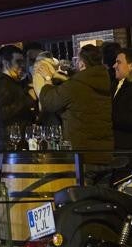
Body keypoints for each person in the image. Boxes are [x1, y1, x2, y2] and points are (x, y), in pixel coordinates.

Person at [35, 44, 114, 176]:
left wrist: (48, 79)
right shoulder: (104, 82)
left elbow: (50, 102)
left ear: (82, 64)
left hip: (82, 156)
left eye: (76, 60)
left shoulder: (76, 86)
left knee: (83, 195)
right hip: (104, 154)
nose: (74, 63)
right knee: (102, 195)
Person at [0, 45, 36, 179]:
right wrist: (30, 99)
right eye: (18, 62)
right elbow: (2, 115)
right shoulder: (6, 87)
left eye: (23, 62)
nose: (23, 66)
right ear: (5, 63)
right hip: (10, 149)